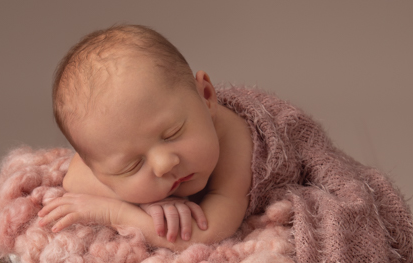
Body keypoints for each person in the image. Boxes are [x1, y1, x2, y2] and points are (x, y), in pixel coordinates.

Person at [38, 25, 254, 251]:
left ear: (207, 97)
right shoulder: (121, 145)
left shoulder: (237, 142)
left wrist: (117, 212)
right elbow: (73, 179)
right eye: (132, 165)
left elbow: (207, 234)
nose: (164, 165)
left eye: (172, 134)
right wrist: (151, 202)